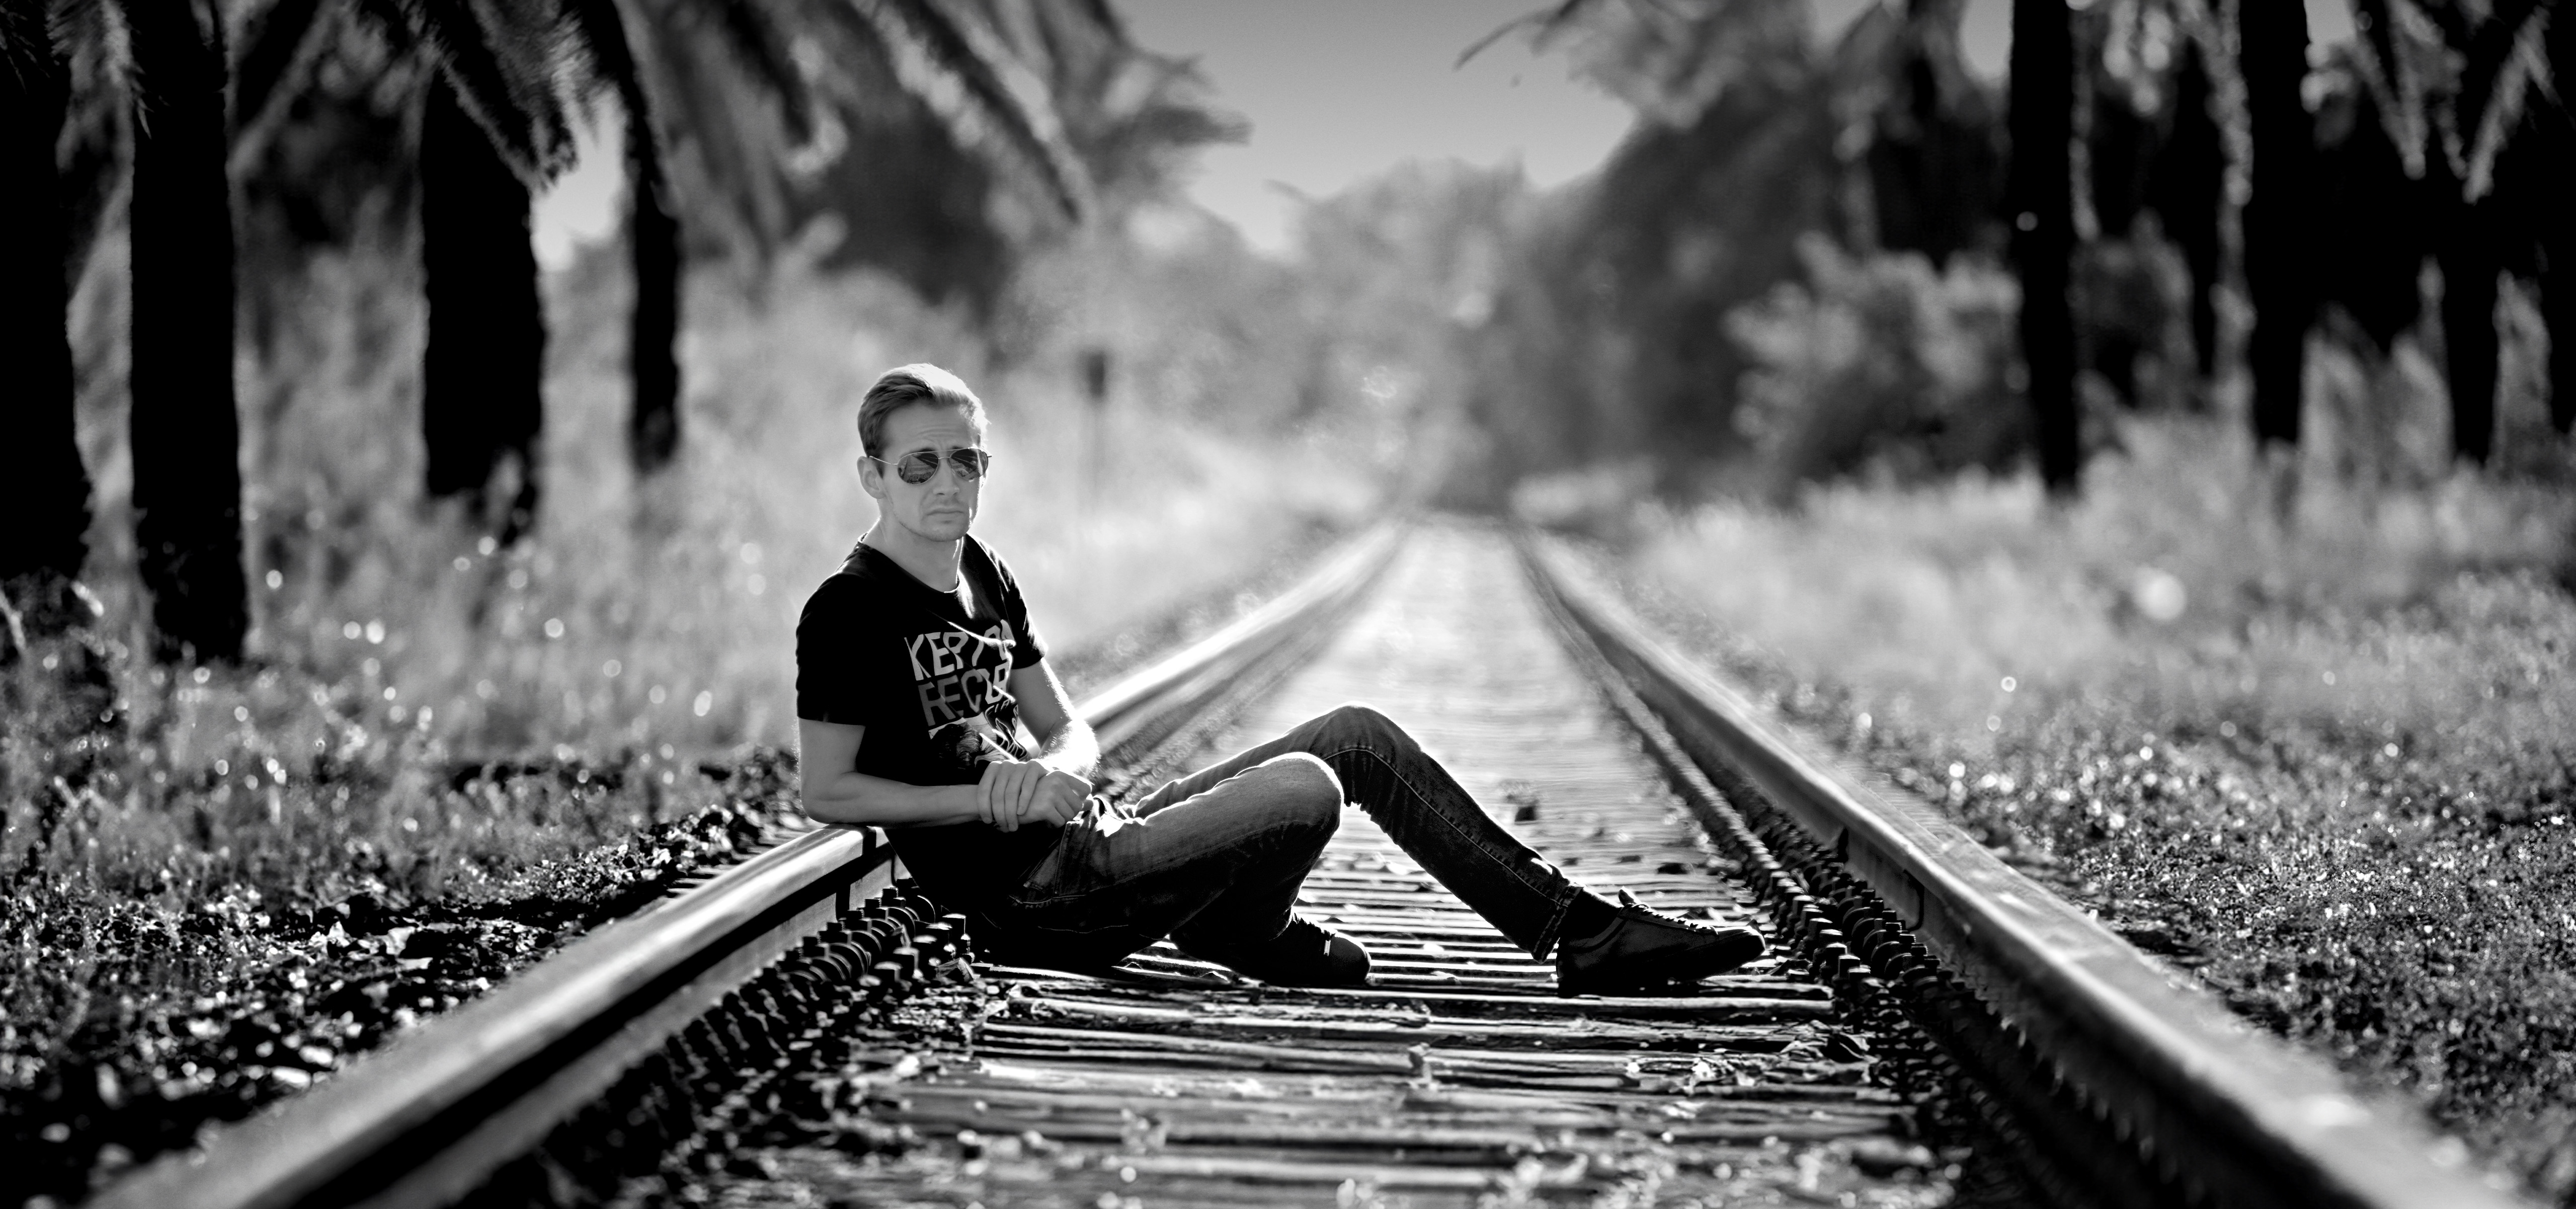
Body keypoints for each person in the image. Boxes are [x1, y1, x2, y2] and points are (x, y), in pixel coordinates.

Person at [795, 364, 1765, 993]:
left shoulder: (983, 571)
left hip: (1097, 833)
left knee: (1358, 736)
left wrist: (1057, 769)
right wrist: (983, 800)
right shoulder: (848, 611)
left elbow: (1071, 729)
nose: (948, 483)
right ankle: (1237, 924)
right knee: (1306, 787)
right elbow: (828, 790)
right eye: (919, 465)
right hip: (1042, 900)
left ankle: (1577, 930)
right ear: (872, 476)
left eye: (966, 460)